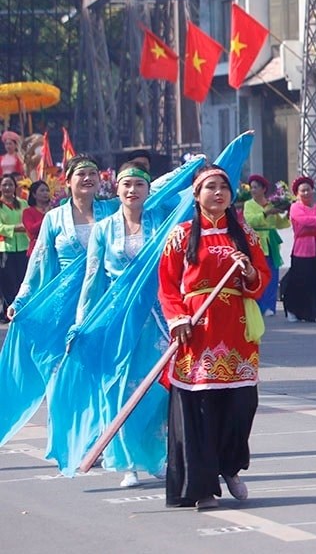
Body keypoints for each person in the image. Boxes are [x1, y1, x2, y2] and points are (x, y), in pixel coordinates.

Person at [158, 165, 270, 510]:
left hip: (236, 331)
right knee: (199, 411)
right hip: (197, 331)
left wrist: (249, 272)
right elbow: (167, 285)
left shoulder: (244, 236)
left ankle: (229, 465)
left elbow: (261, 279)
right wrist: (177, 318)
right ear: (196, 194)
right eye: (210, 187)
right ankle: (201, 487)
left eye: (223, 186)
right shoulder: (181, 235)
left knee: (241, 404)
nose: (218, 192)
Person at [77, 162, 166, 488]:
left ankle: (156, 457)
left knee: (157, 389)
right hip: (119, 320)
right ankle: (128, 463)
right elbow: (92, 279)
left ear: (147, 190)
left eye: (139, 185)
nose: (132, 190)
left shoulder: (161, 222)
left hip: (157, 318)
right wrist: (82, 323)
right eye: (126, 184)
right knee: (119, 389)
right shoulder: (103, 229)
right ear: (116, 189)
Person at [8, 155, 118, 321]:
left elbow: (148, 193)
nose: (88, 178)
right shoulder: (54, 217)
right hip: (66, 300)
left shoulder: (113, 210)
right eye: (81, 174)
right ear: (68, 181)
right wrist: (21, 300)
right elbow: (39, 260)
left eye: (93, 173)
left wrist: (173, 177)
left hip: (104, 297)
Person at [281, 175, 316, 323]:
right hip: (302, 248)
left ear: (313, 191)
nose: (306, 193)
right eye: (303, 191)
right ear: (297, 193)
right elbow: (305, 221)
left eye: (308, 190)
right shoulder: (295, 207)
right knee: (300, 281)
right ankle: (293, 310)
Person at [241, 174, 289, 317]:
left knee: (273, 276)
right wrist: (266, 213)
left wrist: (286, 214)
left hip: (271, 243)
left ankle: (270, 306)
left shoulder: (271, 203)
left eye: (256, 187)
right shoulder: (249, 204)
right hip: (257, 243)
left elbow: (280, 224)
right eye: (252, 187)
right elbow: (251, 221)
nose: (253, 190)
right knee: (258, 275)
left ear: (263, 189)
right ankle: (260, 306)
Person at [0, 174, 29, 320]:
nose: (7, 188)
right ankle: (8, 311)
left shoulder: (23, 204)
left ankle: (22, 308)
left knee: (22, 279)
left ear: (15, 187)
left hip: (23, 246)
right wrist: (16, 228)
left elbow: (29, 220)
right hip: (5, 248)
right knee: (7, 281)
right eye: (4, 185)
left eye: (10, 185)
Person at [20, 179, 51, 255]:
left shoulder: (55, 210)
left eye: (47, 190)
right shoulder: (28, 212)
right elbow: (31, 229)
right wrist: (46, 215)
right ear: (34, 194)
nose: (45, 193)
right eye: (42, 191)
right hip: (36, 250)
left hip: (52, 249)